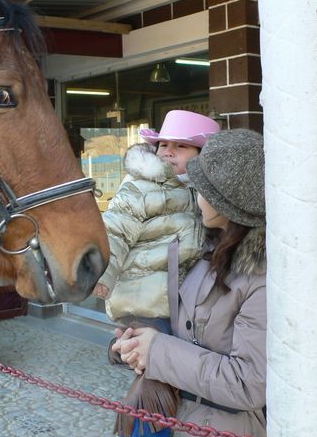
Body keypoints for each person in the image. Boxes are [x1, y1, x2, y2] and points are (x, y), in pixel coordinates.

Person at [112, 129, 267, 437]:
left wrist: (155, 350)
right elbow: (179, 327)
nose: (195, 195)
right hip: (173, 419)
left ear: (226, 203)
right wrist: (134, 341)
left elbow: (249, 384)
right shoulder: (202, 249)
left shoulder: (261, 277)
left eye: (203, 189)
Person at [93, 110, 221, 327]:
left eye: (181, 146)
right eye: (163, 145)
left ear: (202, 154)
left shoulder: (204, 192)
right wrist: (103, 274)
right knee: (150, 352)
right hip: (144, 303)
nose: (169, 152)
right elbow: (115, 231)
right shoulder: (140, 187)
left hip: (185, 302)